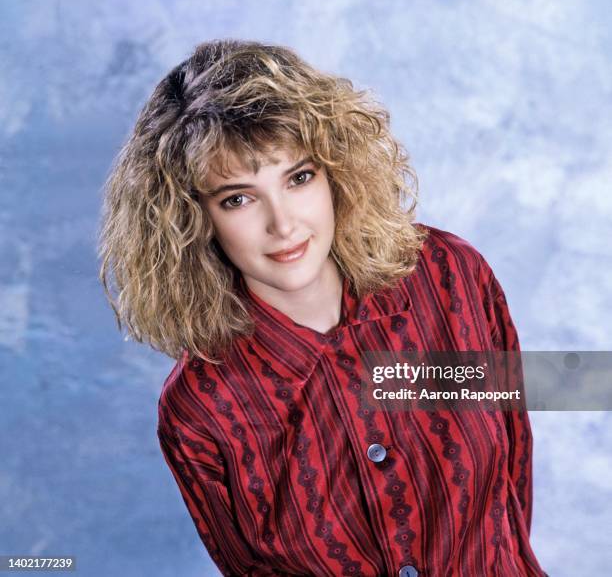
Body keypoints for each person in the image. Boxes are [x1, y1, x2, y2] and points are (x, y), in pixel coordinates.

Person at [98, 39, 547, 576]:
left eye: (299, 178)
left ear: (337, 173)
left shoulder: (448, 277)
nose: (283, 224)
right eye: (237, 198)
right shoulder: (200, 410)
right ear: (192, 219)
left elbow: (512, 471)